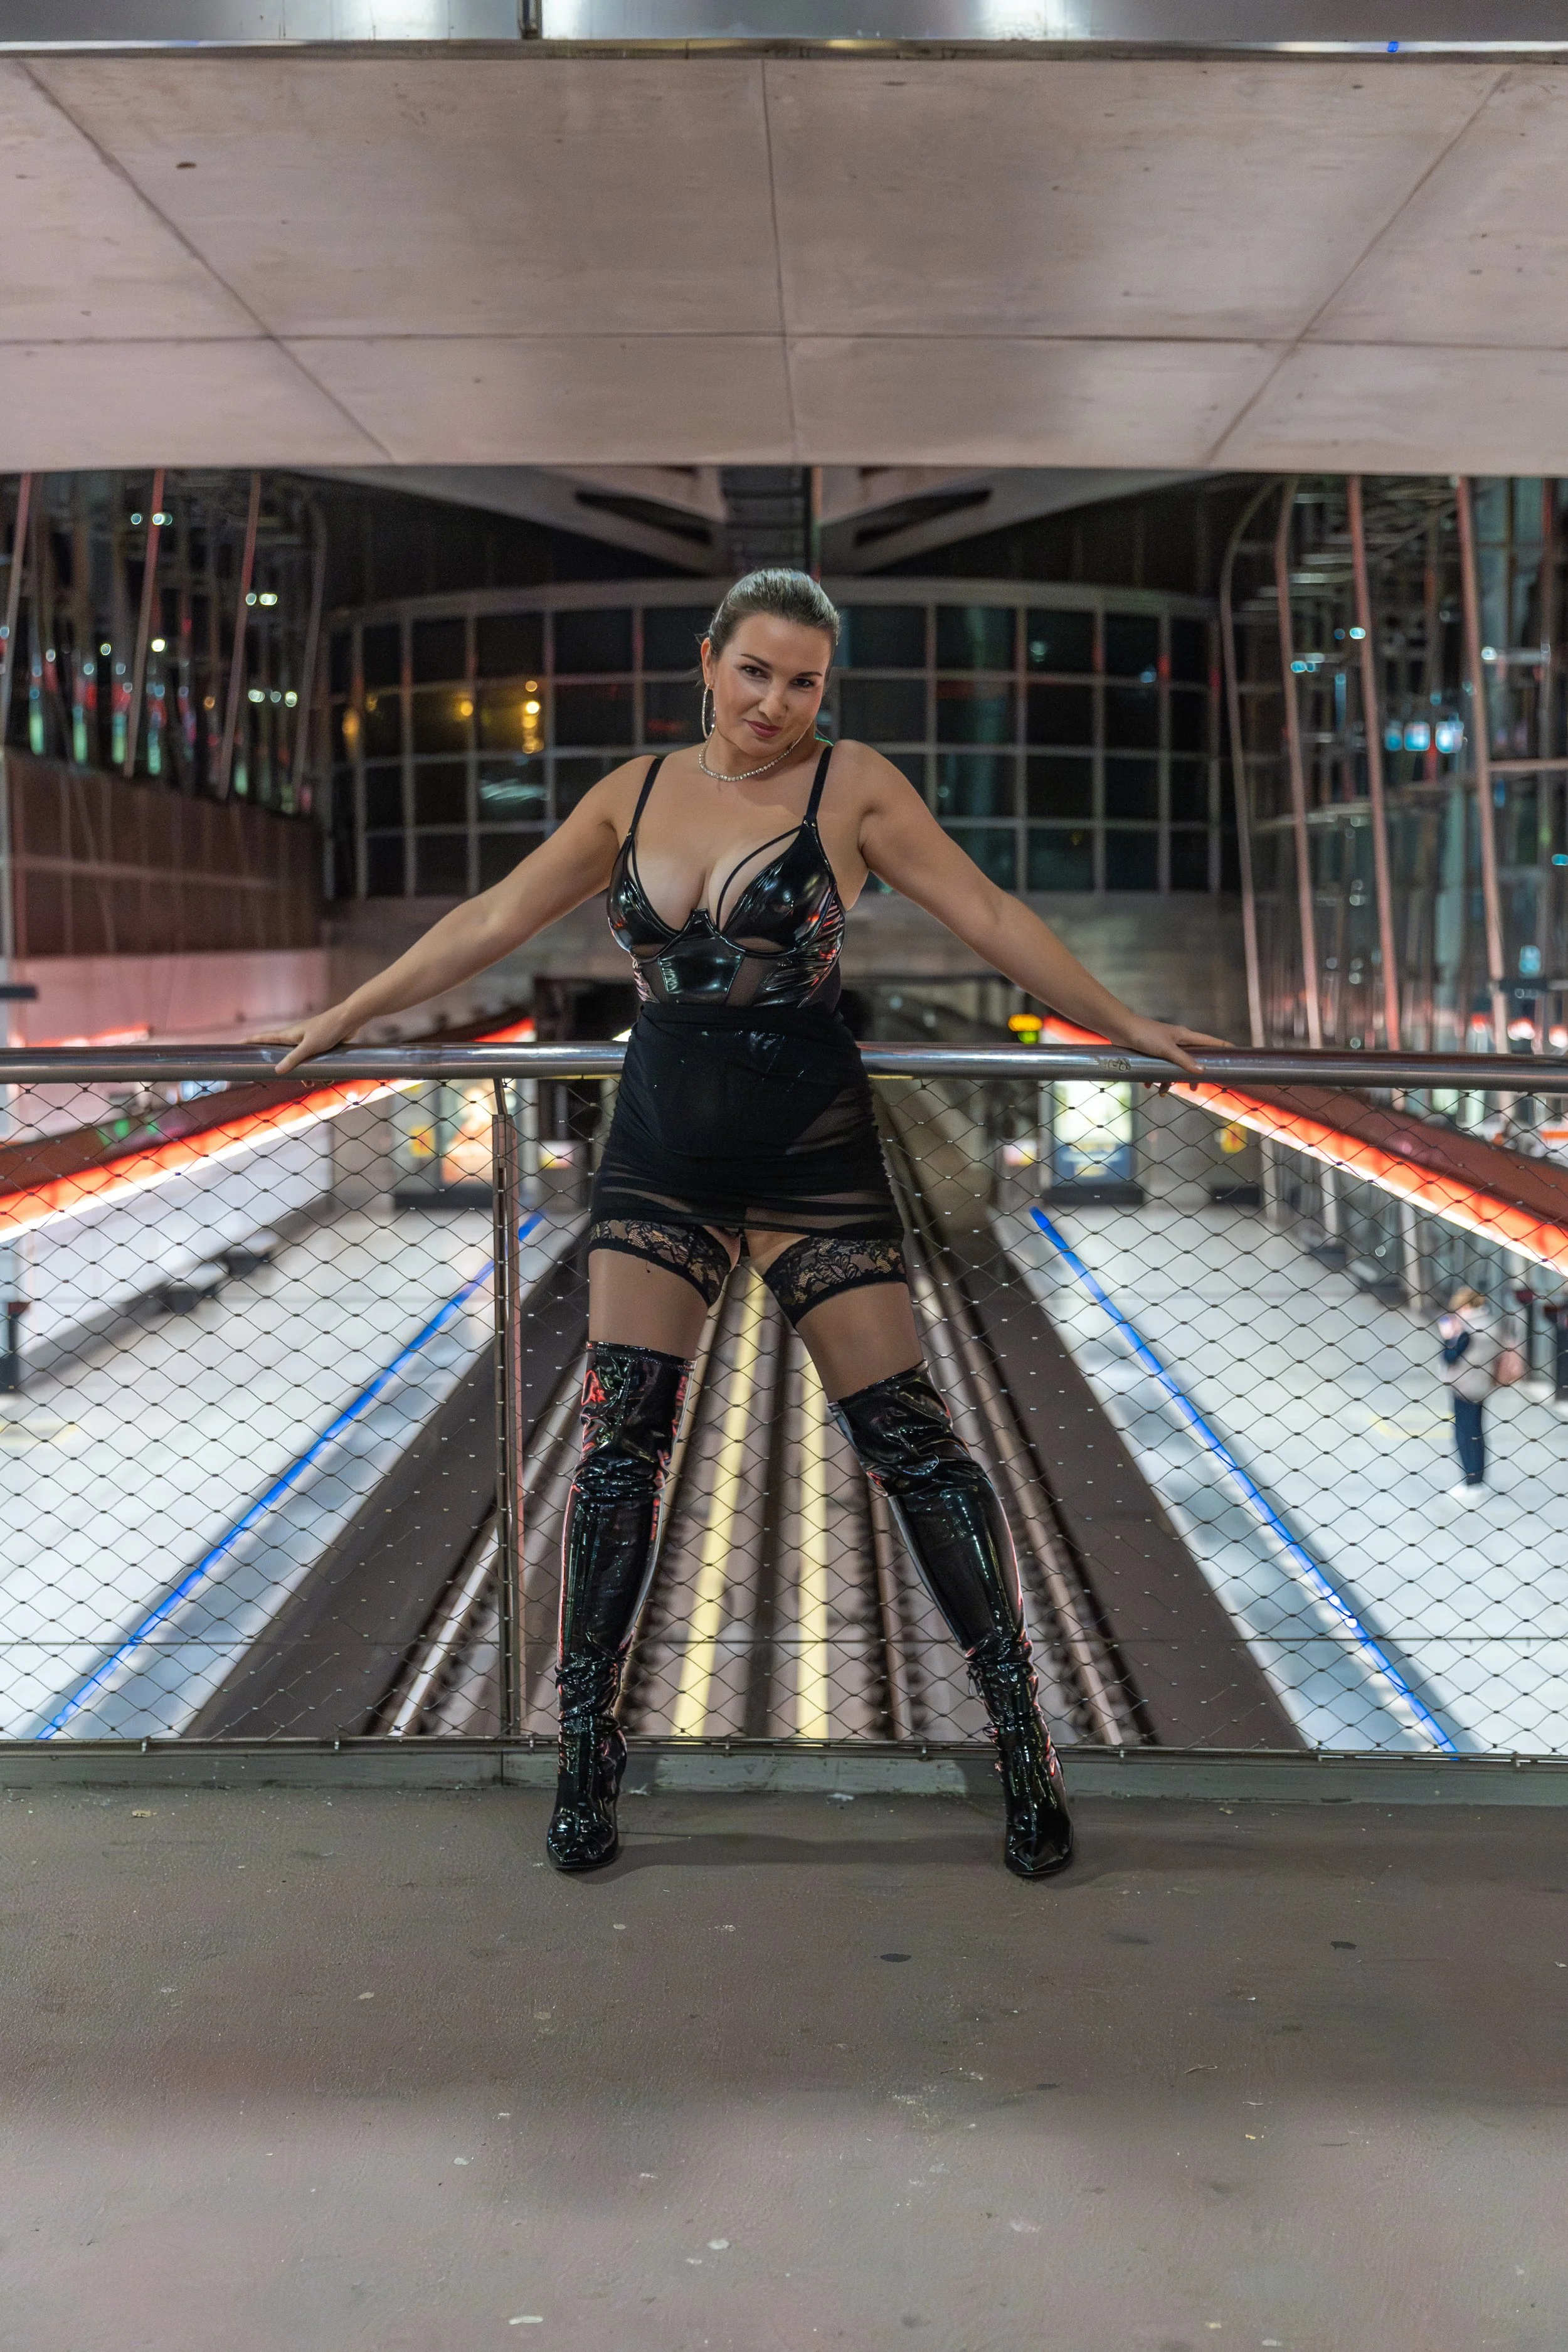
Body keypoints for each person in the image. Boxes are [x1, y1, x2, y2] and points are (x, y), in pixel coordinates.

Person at [275, 570, 1224, 1881]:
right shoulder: (632, 792)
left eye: (805, 682)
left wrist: (1127, 1029)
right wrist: (352, 1015)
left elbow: (992, 917)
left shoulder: (857, 790)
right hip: (661, 1152)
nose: (777, 703)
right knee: (620, 1454)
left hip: (809, 1152)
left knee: (912, 1445)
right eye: (757, 672)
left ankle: (1022, 1743)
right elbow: (496, 917)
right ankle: (586, 1761)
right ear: (707, 662)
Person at [1437, 1286, 1499, 1503]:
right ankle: (1479, 1479)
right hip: (1482, 1384)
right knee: (1478, 1432)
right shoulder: (1490, 1324)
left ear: (1465, 1306)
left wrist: (1448, 1337)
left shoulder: (1466, 1330)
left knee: (1463, 1434)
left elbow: (1450, 1357)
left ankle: (1471, 1481)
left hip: (1464, 1387)